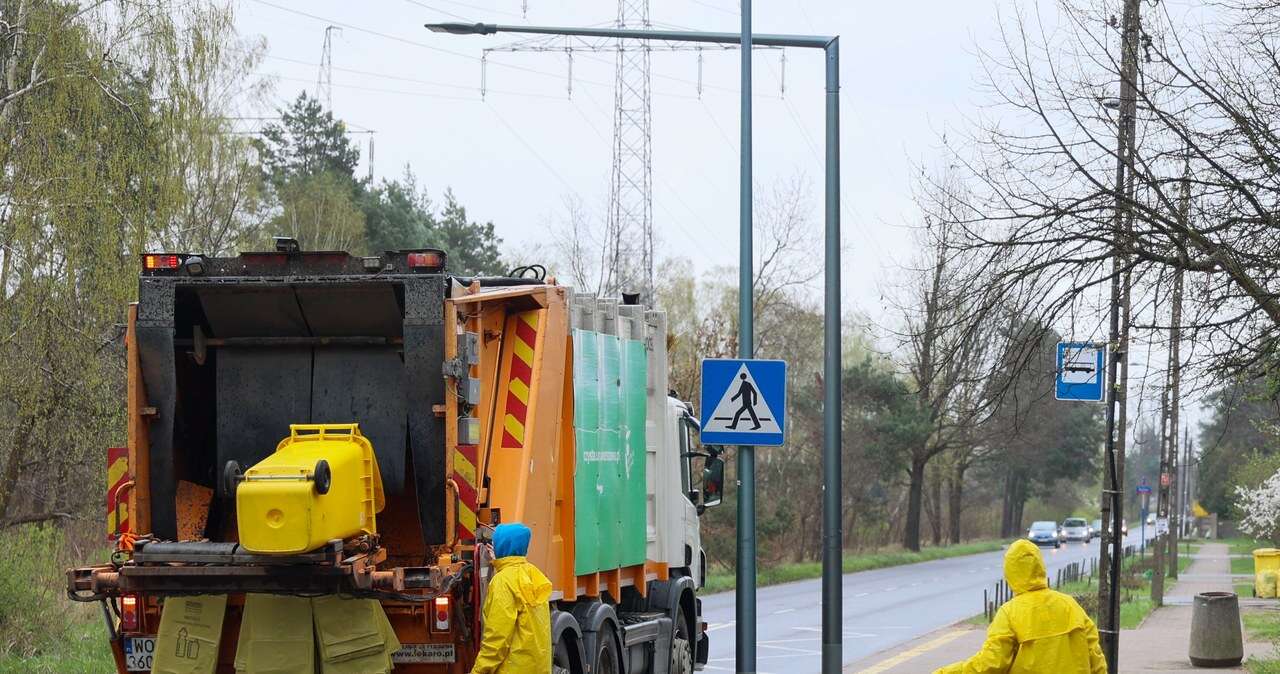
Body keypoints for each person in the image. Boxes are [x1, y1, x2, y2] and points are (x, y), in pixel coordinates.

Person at [935, 539, 1107, 674]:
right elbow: (1095, 657)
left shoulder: (1010, 613)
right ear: (1040, 566)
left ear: (1010, 572)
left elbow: (991, 664)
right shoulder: (1070, 605)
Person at [472, 522, 553, 674]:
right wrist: (499, 561)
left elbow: (497, 638)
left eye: (496, 543)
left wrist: (478, 671)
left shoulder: (502, 582)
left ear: (503, 546)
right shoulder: (532, 573)